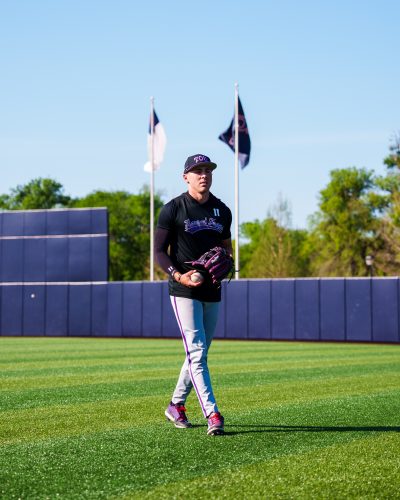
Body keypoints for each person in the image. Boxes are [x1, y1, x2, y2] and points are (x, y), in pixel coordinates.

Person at [155, 154, 233, 436]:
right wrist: (178, 275)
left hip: (212, 288)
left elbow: (226, 249)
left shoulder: (222, 211)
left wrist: (226, 261)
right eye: (197, 171)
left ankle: (175, 404)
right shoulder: (173, 209)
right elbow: (158, 252)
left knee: (198, 353)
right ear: (185, 176)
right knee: (197, 351)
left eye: (207, 170)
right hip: (183, 288)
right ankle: (212, 413)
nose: (203, 175)